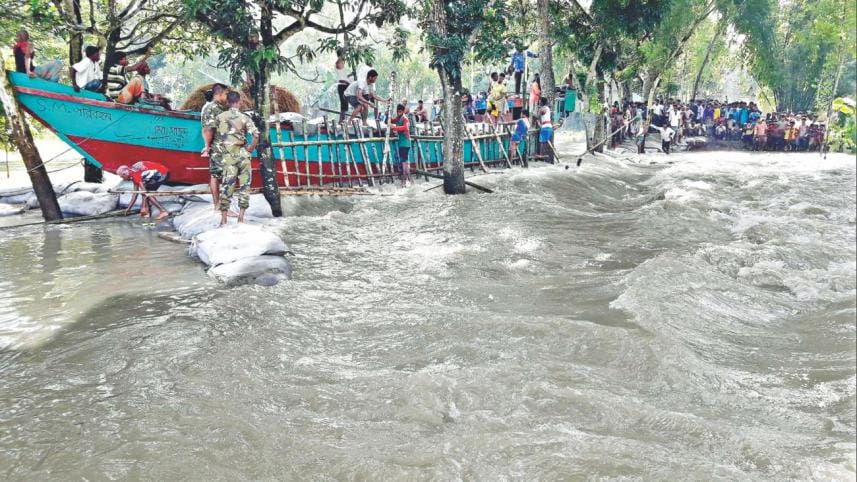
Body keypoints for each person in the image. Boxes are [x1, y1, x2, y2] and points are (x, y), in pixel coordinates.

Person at [215, 91, 259, 226]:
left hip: (228, 156)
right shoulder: (244, 117)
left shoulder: (220, 117)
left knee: (227, 186)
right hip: (243, 156)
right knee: (244, 186)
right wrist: (250, 148)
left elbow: (219, 137)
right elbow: (256, 135)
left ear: (227, 102)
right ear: (239, 102)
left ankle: (223, 219)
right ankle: (240, 218)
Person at [201, 83, 230, 210]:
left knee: (219, 175)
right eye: (225, 94)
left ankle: (220, 205)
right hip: (218, 147)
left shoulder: (217, 107)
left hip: (222, 146)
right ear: (219, 94)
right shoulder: (212, 108)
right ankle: (218, 205)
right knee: (217, 175)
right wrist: (207, 146)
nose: (226, 97)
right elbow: (208, 129)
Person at [389, 104, 412, 187]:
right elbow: (391, 120)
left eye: (400, 111)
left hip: (405, 143)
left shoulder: (405, 118)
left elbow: (405, 128)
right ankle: (409, 181)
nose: (398, 113)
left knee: (404, 163)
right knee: (404, 162)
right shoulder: (398, 118)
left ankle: (404, 181)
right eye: (397, 111)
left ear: (403, 111)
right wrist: (387, 115)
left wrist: (394, 128)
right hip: (401, 143)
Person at [335, 57, 352, 122]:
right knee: (343, 103)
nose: (343, 64)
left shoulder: (343, 70)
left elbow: (345, 77)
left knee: (345, 104)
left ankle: (343, 120)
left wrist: (351, 74)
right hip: (342, 87)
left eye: (343, 63)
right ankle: (341, 120)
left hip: (346, 87)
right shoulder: (338, 70)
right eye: (341, 63)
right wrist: (347, 83)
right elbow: (341, 80)